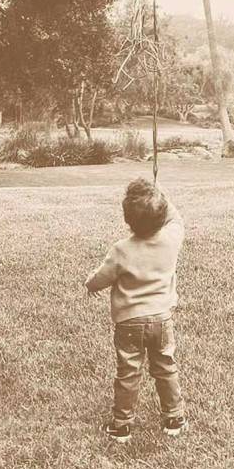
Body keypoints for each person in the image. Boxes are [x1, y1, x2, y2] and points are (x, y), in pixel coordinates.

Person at [84, 177, 188, 443]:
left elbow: (102, 278)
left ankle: (122, 425)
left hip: (129, 322)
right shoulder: (171, 239)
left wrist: (89, 284)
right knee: (165, 366)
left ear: (128, 220)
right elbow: (175, 218)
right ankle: (174, 417)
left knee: (129, 371)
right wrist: (161, 193)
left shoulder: (121, 250)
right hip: (162, 319)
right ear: (162, 215)